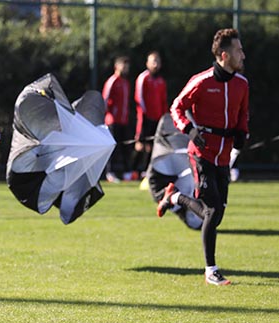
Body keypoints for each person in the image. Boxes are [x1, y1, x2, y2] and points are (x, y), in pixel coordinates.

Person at [157, 28, 248, 286]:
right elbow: (177, 106)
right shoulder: (201, 81)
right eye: (238, 51)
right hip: (201, 154)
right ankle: (211, 270)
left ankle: (173, 196)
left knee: (216, 215)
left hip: (223, 157)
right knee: (212, 210)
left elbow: (243, 113)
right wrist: (189, 129)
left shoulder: (242, 84)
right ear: (223, 55)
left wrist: (242, 133)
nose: (243, 55)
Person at [132, 51, 167, 179]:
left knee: (152, 146)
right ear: (147, 63)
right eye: (153, 61)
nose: (156, 64)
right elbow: (139, 99)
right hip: (145, 118)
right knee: (140, 144)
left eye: (158, 61)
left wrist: (164, 117)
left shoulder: (161, 81)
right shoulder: (143, 78)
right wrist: (145, 115)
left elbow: (163, 100)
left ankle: (146, 170)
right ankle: (133, 170)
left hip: (157, 119)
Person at [102, 56, 132, 183]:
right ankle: (110, 172)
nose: (125, 68)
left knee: (125, 146)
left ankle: (126, 172)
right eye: (123, 65)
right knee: (112, 147)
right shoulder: (112, 81)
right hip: (112, 120)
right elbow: (105, 100)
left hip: (123, 120)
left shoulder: (126, 83)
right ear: (117, 66)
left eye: (127, 66)